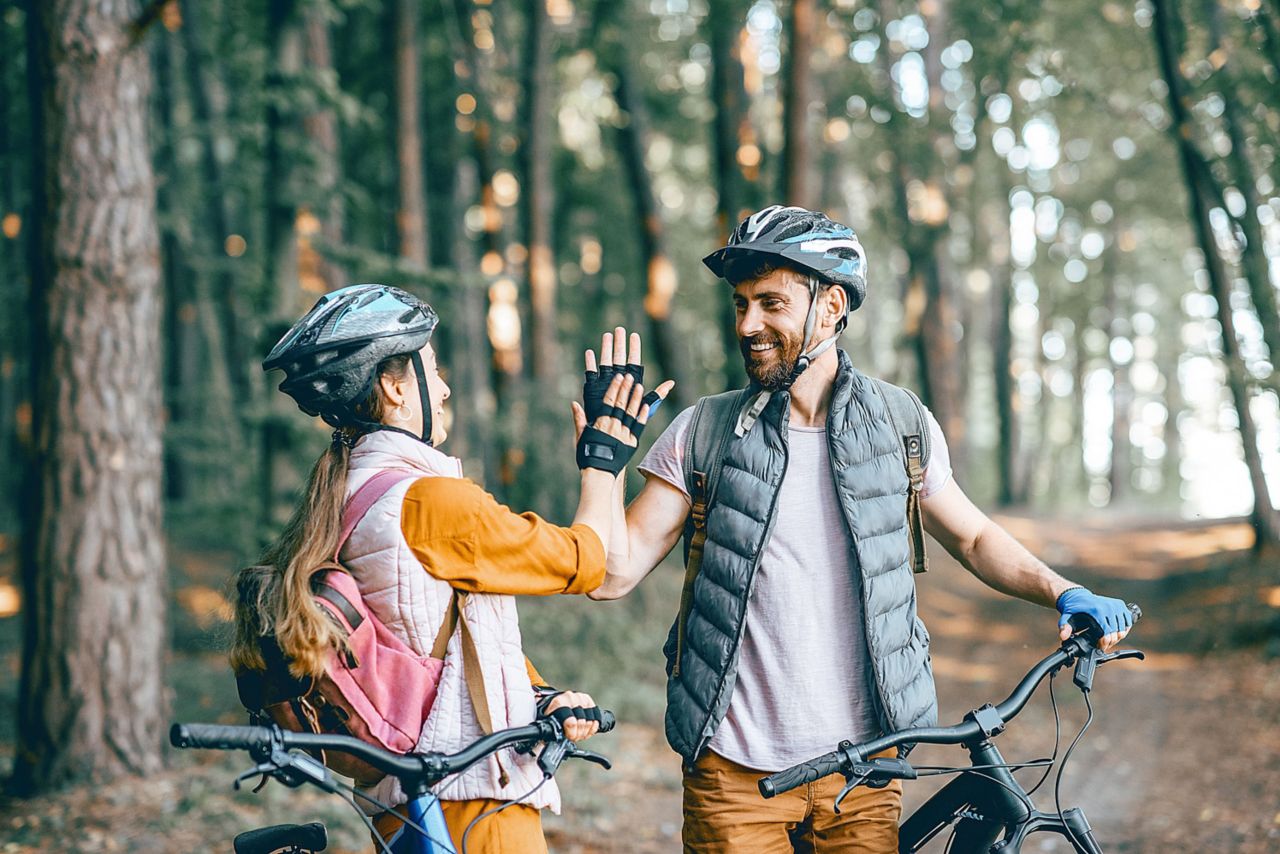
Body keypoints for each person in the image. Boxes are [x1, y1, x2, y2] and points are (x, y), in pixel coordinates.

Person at [586, 206, 1135, 853]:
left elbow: (975, 538)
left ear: (831, 305)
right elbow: (612, 574)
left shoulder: (901, 425)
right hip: (732, 772)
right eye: (740, 305)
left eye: (770, 303)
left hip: (865, 769)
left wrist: (1061, 589)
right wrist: (602, 465)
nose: (748, 324)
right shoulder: (704, 431)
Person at [231, 284, 665, 852]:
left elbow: (434, 641)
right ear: (393, 386)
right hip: (474, 806)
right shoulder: (431, 501)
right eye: (432, 370)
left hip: (405, 806)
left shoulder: (344, 495)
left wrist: (542, 697)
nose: (445, 387)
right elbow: (590, 561)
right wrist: (604, 457)